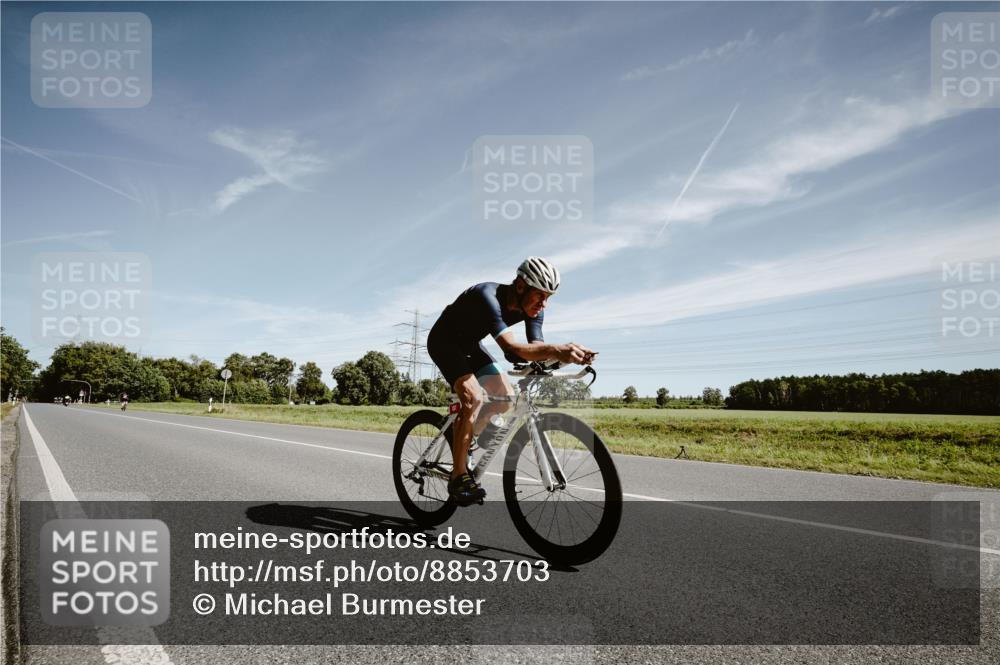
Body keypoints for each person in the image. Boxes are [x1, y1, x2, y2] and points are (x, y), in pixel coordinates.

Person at [427, 257, 595, 506]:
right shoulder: (488, 297)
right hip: (444, 341)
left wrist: (562, 358)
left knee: (506, 397)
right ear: (520, 286)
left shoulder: (534, 310)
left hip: (471, 346)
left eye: (549, 297)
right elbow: (512, 348)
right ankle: (458, 476)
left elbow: (535, 347)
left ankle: (467, 438)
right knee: (473, 397)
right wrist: (558, 349)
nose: (544, 303)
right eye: (540, 295)